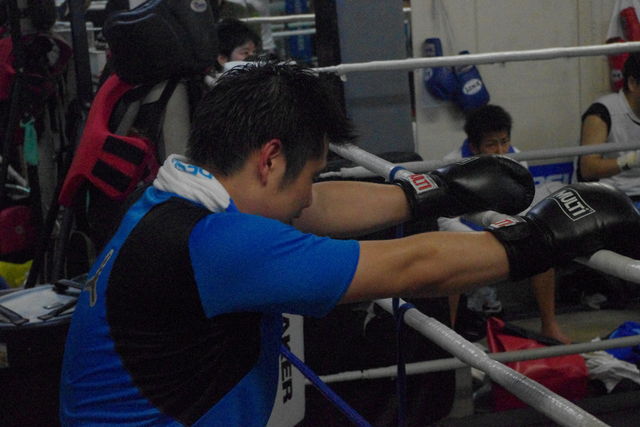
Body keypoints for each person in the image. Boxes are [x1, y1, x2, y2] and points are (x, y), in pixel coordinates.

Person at [59, 61, 640, 426]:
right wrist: (538, 238)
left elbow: (313, 204)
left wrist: (432, 192)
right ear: (270, 158)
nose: (309, 194)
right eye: (310, 173)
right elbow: (410, 267)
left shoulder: (177, 197)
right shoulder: (218, 246)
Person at [439, 105, 571, 344]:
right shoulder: (452, 165)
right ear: (474, 146)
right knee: (450, 262)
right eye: (492, 144)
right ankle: (450, 339)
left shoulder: (516, 159)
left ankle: (549, 325)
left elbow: (524, 207)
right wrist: (481, 239)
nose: (501, 151)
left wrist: (512, 231)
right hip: (467, 235)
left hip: (503, 230)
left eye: (504, 142)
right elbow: (445, 221)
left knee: (543, 251)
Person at [578, 51, 640, 203]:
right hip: (609, 197)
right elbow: (588, 169)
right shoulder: (603, 112)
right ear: (632, 83)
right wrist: (633, 160)